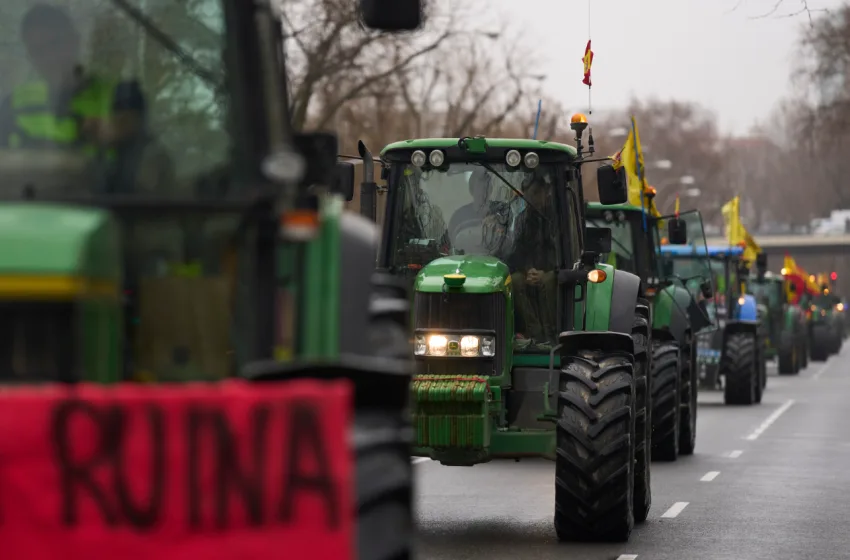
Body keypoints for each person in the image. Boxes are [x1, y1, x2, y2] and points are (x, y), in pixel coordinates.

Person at [0, 4, 162, 193]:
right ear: (31, 56)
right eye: (39, 51)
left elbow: (132, 128)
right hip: (29, 211)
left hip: (100, 210)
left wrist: (111, 130)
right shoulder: (13, 104)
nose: (50, 57)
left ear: (74, 42)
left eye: (55, 44)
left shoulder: (121, 95)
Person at [504, 172, 558, 345]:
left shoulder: (557, 219)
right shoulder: (523, 220)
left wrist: (544, 272)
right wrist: (527, 270)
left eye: (535, 193)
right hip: (532, 272)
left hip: (555, 272)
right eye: (527, 195)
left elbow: (561, 252)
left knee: (549, 281)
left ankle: (553, 335)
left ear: (545, 192)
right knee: (514, 280)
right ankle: (534, 334)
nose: (531, 199)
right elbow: (517, 253)